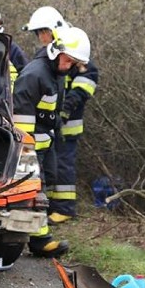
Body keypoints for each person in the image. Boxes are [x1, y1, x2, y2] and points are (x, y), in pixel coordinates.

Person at [12, 26, 90, 258]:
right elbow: (22, 118)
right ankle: (39, 240)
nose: (70, 67)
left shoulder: (55, 72)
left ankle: (34, 235)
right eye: (69, 61)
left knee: (48, 183)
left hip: (47, 142)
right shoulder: (35, 75)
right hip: (31, 146)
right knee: (35, 190)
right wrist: (27, 151)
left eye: (74, 63)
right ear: (57, 51)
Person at [51, 40, 99, 225]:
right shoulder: (66, 64)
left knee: (64, 167)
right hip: (55, 125)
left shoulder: (88, 69)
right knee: (54, 166)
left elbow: (79, 94)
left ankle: (65, 208)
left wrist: (63, 112)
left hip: (68, 128)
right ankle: (53, 205)